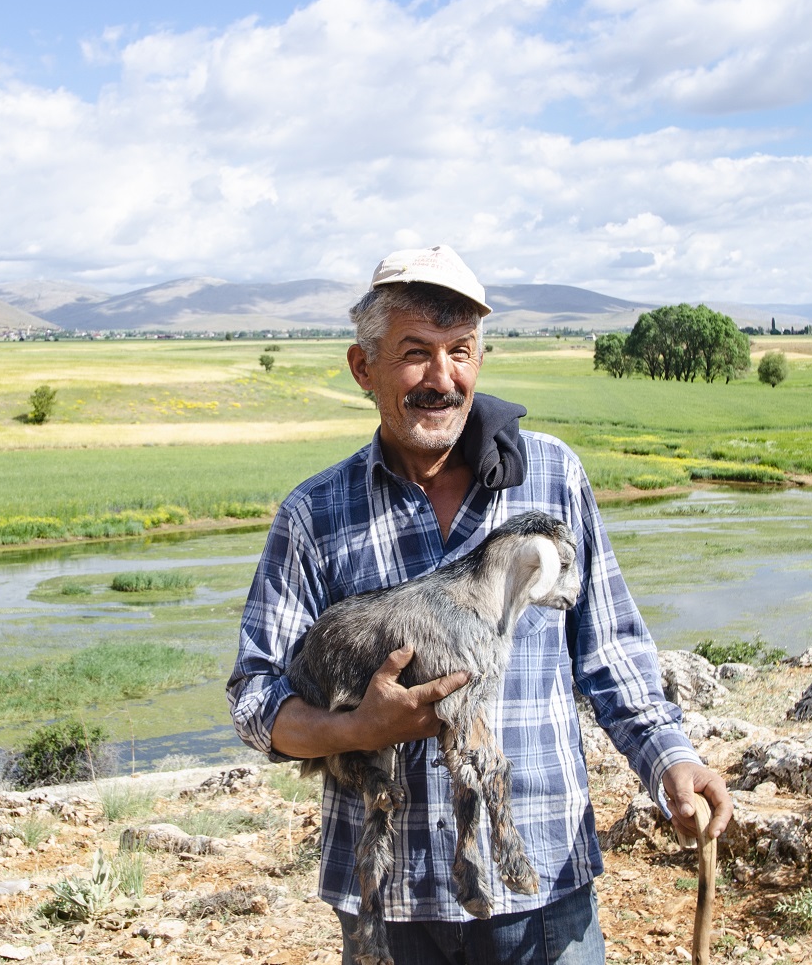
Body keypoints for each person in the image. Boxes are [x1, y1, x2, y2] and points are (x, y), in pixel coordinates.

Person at [228, 244, 731, 964]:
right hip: (388, 907)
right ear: (362, 366)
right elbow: (254, 697)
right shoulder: (315, 515)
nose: (442, 377)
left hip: (543, 894)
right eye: (415, 353)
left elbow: (610, 654)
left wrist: (671, 762)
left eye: (460, 351)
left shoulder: (554, 478)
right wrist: (355, 728)